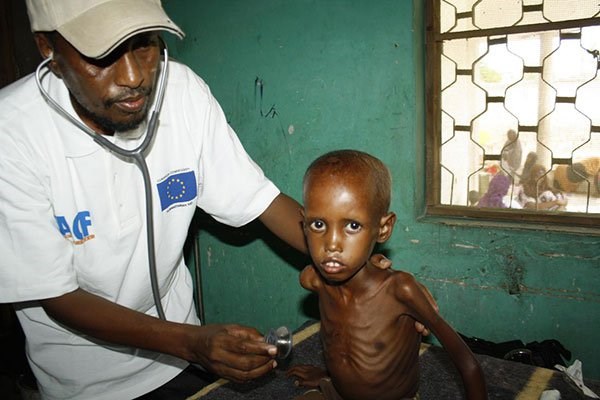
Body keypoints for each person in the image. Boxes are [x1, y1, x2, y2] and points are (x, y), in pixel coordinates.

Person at [0, 1, 424, 399]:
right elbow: (57, 295)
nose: (133, 76)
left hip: (180, 355)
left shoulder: (183, 92)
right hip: (87, 378)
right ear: (49, 51)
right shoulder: (12, 133)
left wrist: (370, 278)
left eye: (144, 44)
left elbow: (260, 200)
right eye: (100, 55)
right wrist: (192, 343)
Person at [286, 150, 487, 400]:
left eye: (352, 226)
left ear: (383, 228)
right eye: (318, 225)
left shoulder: (398, 290)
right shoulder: (315, 280)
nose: (332, 244)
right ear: (304, 225)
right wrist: (327, 377)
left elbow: (468, 364)